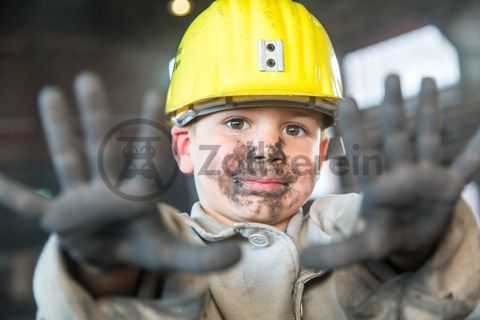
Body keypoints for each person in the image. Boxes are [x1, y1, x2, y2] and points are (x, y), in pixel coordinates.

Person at [1, 0, 480, 319]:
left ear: (320, 154)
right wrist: (110, 276)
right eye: (235, 123)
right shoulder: (161, 249)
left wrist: (418, 253)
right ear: (186, 148)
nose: (266, 150)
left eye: (294, 129)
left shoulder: (353, 229)